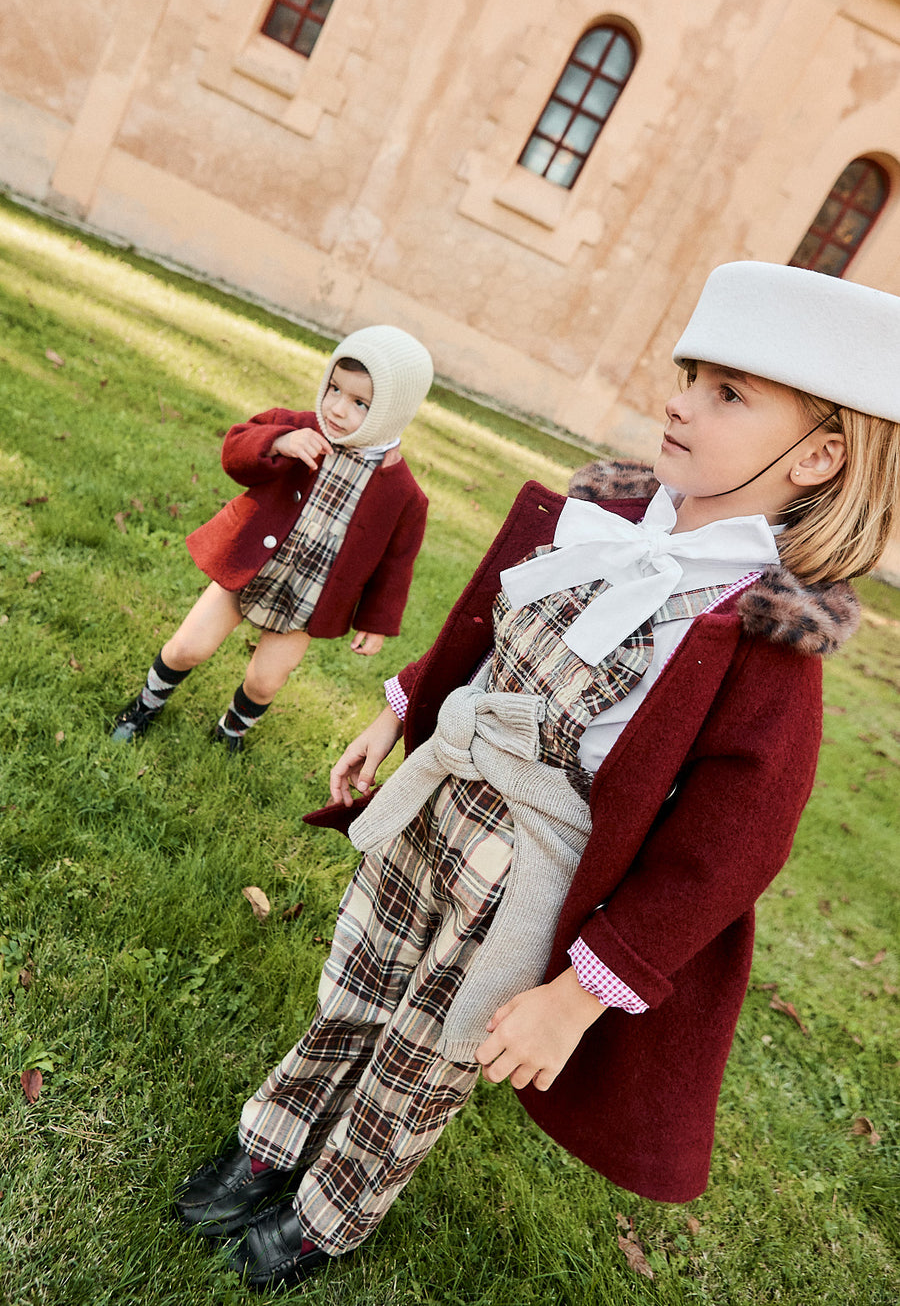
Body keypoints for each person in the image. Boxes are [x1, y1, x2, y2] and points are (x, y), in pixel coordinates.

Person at [172, 262, 900, 1290]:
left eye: (728, 395)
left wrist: (582, 996)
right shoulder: (605, 518)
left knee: (426, 1054)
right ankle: (273, 1140)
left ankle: (331, 1210)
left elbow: (727, 853)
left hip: (523, 879)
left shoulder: (761, 641)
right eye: (691, 375)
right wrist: (400, 714)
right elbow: (495, 636)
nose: (681, 401)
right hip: (440, 805)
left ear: (819, 455)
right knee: (359, 983)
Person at [110, 326, 433, 751]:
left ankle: (230, 731)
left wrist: (376, 621)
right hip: (248, 566)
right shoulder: (297, 427)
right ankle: (143, 707)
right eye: (333, 388)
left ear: (393, 411)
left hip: (310, 595)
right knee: (188, 647)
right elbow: (236, 451)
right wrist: (278, 441)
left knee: (265, 681)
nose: (336, 408)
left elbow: (397, 562)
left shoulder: (403, 493)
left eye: (360, 403)